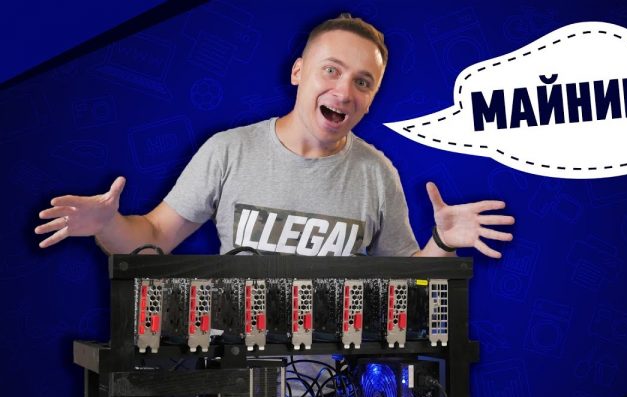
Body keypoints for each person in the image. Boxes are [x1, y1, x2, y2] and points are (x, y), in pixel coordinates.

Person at [35, 14, 514, 260]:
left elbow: (409, 289)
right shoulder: (228, 151)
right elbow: (155, 238)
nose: (344, 91)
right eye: (331, 70)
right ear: (298, 72)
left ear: (371, 100)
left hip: (342, 392)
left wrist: (442, 243)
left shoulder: (376, 173)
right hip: (234, 387)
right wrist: (107, 225)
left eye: (363, 82)